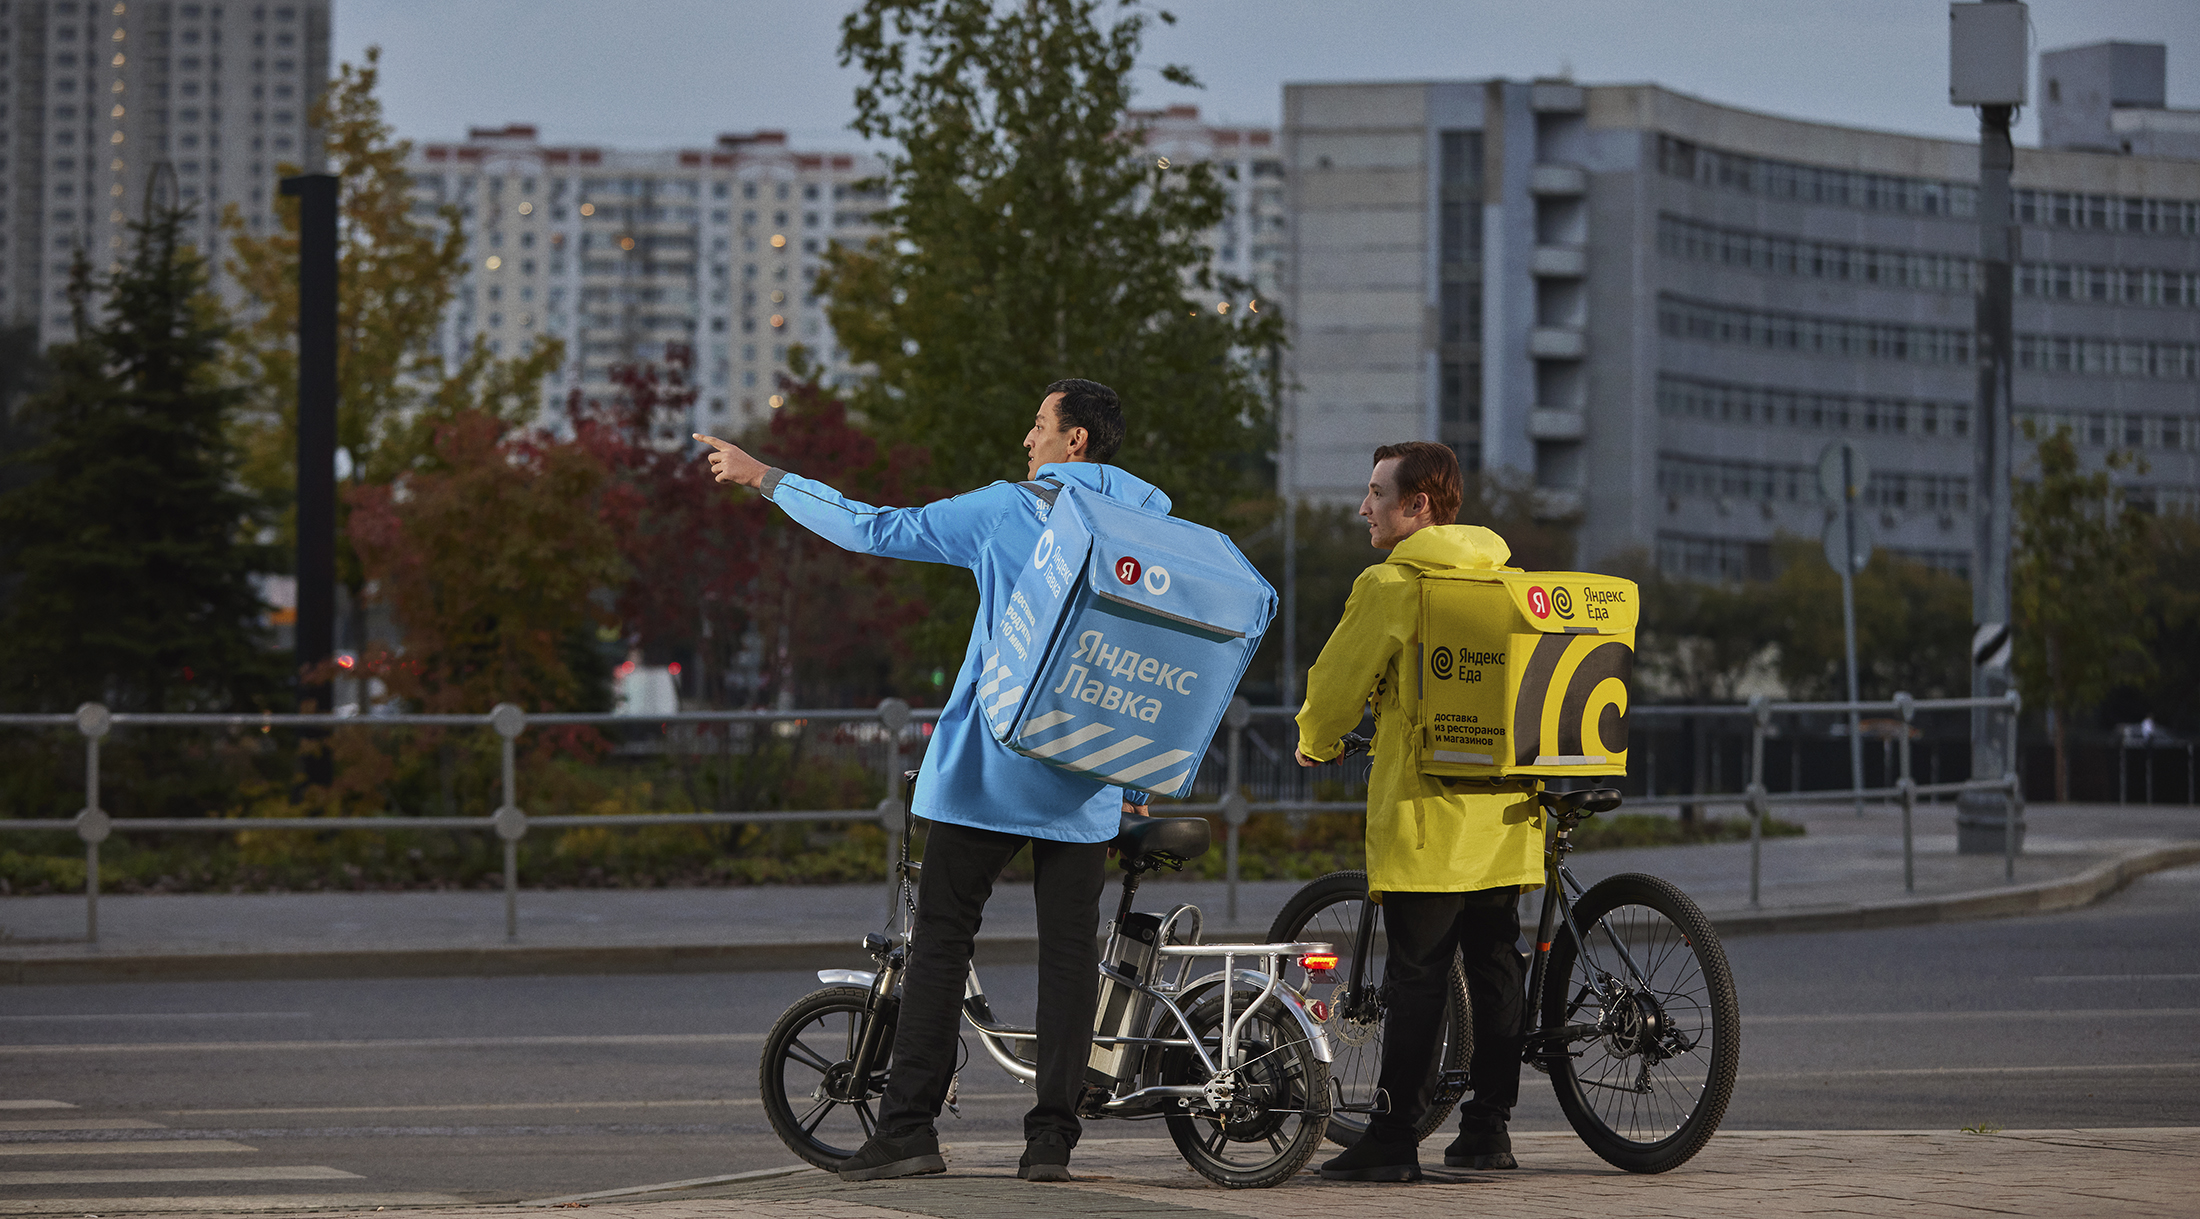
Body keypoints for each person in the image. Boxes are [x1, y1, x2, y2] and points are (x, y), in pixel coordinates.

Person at [695, 379, 1165, 1185]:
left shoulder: (1006, 510)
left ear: (1076, 439)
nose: (1028, 437)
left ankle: (907, 1127)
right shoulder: (1149, 522)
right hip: (1088, 771)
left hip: (991, 769)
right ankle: (1050, 1140)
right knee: (1068, 959)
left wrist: (764, 475)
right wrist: (1138, 760)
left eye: (1040, 422)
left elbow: (876, 528)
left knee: (941, 942)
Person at [1293, 441, 1544, 1182]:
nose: (1362, 507)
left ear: (1418, 506)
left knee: (1417, 976)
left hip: (1427, 815)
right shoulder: (1507, 580)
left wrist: (1317, 738)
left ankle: (1394, 1136)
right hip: (1505, 814)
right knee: (1497, 963)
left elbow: (1338, 681)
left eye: (1375, 493)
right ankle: (1487, 1129)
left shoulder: (1392, 584)